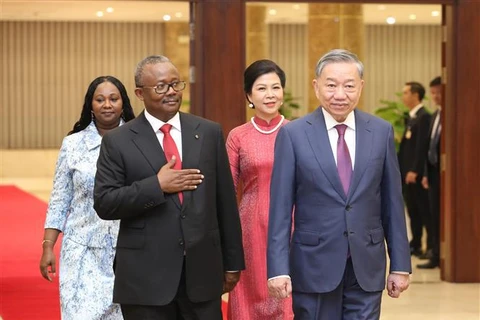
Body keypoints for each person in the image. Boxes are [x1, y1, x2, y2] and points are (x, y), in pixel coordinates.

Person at [93, 55, 245, 320]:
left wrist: (232, 263)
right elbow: (105, 203)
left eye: (176, 84)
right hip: (145, 279)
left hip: (202, 274)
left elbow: (225, 202)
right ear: (140, 93)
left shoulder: (208, 132)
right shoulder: (118, 141)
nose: (172, 91)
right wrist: (157, 186)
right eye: (161, 86)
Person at [267, 49, 411, 320]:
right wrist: (278, 269)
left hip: (366, 265)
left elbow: (392, 202)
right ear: (316, 86)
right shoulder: (293, 135)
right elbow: (280, 209)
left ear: (361, 87)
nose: (340, 94)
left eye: (349, 85)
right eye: (331, 85)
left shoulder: (380, 132)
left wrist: (400, 265)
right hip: (313, 264)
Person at [39, 76, 136, 320]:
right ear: (90, 105)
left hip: (129, 251)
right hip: (80, 252)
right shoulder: (73, 144)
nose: (107, 105)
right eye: (100, 99)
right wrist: (48, 246)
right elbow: (60, 198)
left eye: (114, 99)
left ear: (123, 103)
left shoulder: (140, 141)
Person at [226, 60, 293, 320]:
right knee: (250, 296)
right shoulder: (238, 136)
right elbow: (228, 190)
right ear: (249, 96)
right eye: (262, 88)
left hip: (293, 226)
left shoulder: (297, 132)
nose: (270, 94)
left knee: (288, 298)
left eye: (276, 87)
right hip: (250, 229)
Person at [398, 81, 432, 258]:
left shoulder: (423, 117)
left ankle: (431, 246)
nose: (403, 96)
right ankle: (416, 243)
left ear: (415, 95)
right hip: (407, 173)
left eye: (405, 92)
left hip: (415, 174)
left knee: (423, 209)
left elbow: (421, 147)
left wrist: (414, 170)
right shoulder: (411, 117)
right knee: (412, 210)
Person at [418, 76, 443, 269]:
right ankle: (435, 254)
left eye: (438, 92)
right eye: (433, 92)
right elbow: (429, 148)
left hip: (446, 176)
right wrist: (426, 173)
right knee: (433, 215)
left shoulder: (453, 115)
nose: (435, 96)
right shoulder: (436, 115)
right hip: (434, 174)